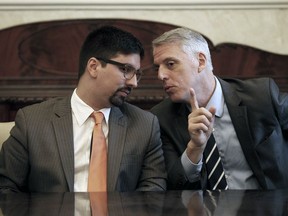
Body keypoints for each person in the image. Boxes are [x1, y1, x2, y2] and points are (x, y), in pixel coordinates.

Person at [0, 25, 167, 193]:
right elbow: (6, 188)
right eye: (126, 70)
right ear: (93, 67)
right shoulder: (32, 121)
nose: (133, 83)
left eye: (137, 74)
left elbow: (153, 188)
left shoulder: (145, 125)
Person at [150, 27, 288, 190]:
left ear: (200, 61)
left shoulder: (262, 96)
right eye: (157, 68)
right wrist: (195, 148)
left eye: (170, 64)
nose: (161, 75)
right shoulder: (161, 118)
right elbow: (174, 185)